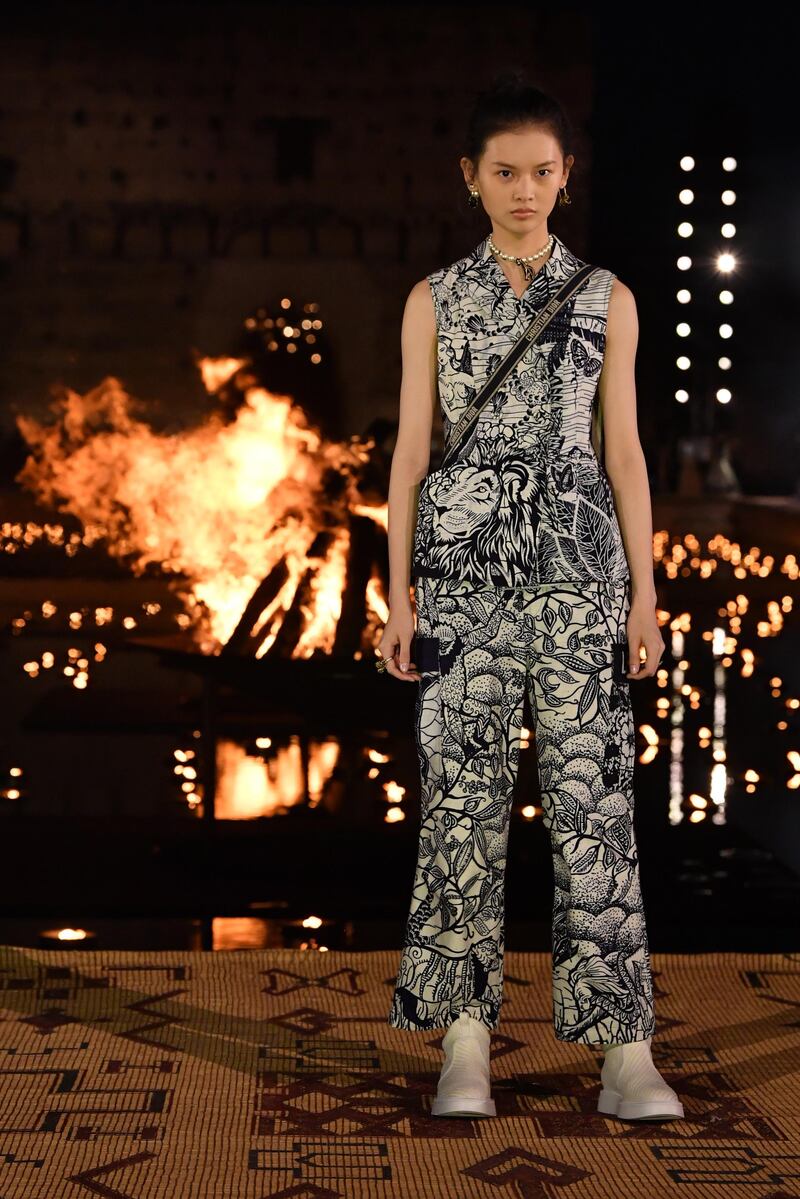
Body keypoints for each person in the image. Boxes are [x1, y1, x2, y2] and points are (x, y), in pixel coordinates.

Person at [377, 71, 684, 1123]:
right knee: (458, 811)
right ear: (470, 178)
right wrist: (397, 592)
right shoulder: (432, 299)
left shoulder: (606, 297)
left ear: (563, 177)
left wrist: (645, 593)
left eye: (540, 172)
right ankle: (463, 1043)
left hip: (579, 574)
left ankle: (624, 1050)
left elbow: (626, 452)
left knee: (593, 807)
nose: (523, 189)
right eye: (503, 171)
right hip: (459, 582)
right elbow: (409, 452)